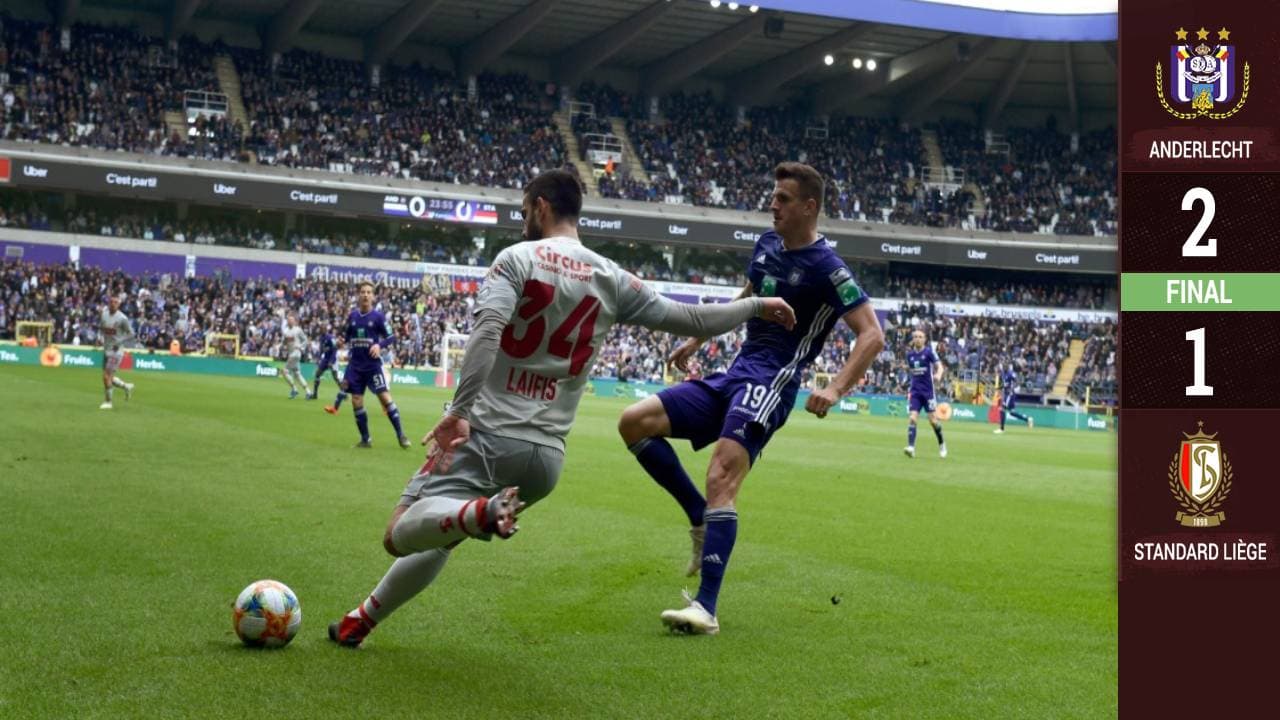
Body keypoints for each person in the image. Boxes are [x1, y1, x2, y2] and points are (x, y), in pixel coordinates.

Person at [328, 168, 796, 648]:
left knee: (400, 531)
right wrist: (756, 306)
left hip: (487, 435)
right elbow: (693, 318)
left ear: (542, 206)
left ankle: (480, 513)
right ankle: (360, 620)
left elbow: (488, 331)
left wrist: (459, 410)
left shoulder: (515, 259)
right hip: (545, 461)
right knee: (443, 533)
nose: (522, 218)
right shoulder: (610, 276)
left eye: (524, 208)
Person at [616, 161, 885, 636]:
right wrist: (699, 337)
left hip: (773, 380)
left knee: (722, 473)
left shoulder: (829, 268)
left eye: (783, 199)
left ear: (809, 207)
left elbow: (872, 335)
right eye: (773, 196)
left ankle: (706, 608)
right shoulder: (765, 246)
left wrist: (835, 387)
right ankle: (698, 517)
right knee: (634, 422)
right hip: (736, 372)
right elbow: (750, 291)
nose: (772, 204)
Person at [337, 282, 411, 449]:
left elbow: (391, 337)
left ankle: (401, 435)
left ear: (373, 296)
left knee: (385, 398)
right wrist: (342, 341)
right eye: (363, 292)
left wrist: (380, 345)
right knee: (356, 400)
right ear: (358, 295)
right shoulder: (352, 316)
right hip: (355, 365)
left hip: (372, 366)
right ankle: (365, 439)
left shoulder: (378, 317)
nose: (365, 295)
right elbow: (346, 335)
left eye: (369, 292)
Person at [902, 328, 946, 458]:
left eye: (920, 337)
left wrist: (938, 374)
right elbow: (912, 370)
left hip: (928, 393)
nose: (917, 339)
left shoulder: (929, 352)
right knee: (912, 418)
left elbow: (940, 366)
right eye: (915, 336)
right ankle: (911, 447)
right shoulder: (909, 355)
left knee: (933, 421)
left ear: (925, 339)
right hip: (915, 392)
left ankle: (942, 443)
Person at [98, 294, 135, 410]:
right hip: (106, 349)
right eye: (111, 302)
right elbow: (101, 328)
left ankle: (108, 402)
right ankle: (126, 386)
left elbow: (131, 334)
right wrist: (99, 338)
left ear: (119, 304)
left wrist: (119, 342)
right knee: (109, 377)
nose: (113, 304)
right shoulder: (104, 315)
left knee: (106, 376)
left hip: (116, 351)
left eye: (115, 302)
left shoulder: (122, 318)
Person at [313, 325, 346, 407]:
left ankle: (344, 393)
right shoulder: (321, 338)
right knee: (317, 374)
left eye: (323, 329)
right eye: (321, 329)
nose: (322, 331)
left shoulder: (330, 338)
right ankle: (315, 394)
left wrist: (331, 361)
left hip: (333, 359)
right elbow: (321, 349)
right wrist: (318, 358)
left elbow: (334, 350)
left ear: (325, 330)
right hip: (325, 359)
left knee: (336, 378)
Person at [995, 362, 1033, 433]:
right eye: (1003, 366)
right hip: (1007, 394)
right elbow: (1005, 384)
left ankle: (1001, 429)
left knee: (1002, 409)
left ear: (1008, 366)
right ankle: (1028, 419)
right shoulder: (1003, 373)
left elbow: (1017, 381)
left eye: (1005, 366)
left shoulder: (1011, 373)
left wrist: (1013, 388)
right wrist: (998, 388)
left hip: (1010, 394)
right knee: (1012, 413)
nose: (1004, 367)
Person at [280, 313, 309, 399]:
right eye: (289, 320)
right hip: (291, 353)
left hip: (296, 353)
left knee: (284, 371)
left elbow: (305, 340)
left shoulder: (298, 330)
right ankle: (308, 392)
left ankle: (294, 389)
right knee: (297, 374)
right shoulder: (286, 331)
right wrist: (283, 344)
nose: (290, 321)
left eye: (291, 320)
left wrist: (300, 347)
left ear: (294, 321)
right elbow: (285, 342)